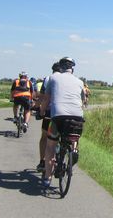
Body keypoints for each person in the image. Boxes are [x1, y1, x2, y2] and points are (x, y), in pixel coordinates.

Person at [38, 57, 85, 188]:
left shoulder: (53, 78)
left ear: (61, 67)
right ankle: (73, 150)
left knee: (50, 146)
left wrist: (41, 112)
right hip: (77, 117)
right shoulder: (80, 82)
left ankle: (47, 177)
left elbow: (46, 100)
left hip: (58, 116)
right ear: (72, 68)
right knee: (74, 135)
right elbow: (83, 101)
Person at [35, 62, 60, 171]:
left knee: (44, 136)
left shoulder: (49, 79)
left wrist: (39, 110)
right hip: (66, 114)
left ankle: (42, 161)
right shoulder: (70, 80)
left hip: (50, 111)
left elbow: (43, 98)